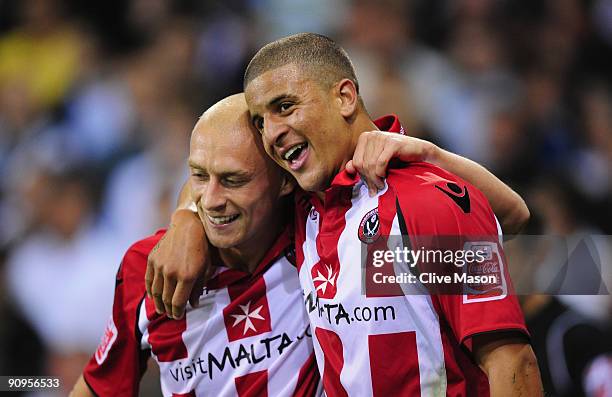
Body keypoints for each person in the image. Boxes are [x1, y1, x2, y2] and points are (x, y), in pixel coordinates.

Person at [149, 33, 542, 396]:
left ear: (345, 97)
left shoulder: (420, 205)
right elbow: (221, 169)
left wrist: (429, 157)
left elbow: (511, 362)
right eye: (260, 120)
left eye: (285, 107)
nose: (271, 133)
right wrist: (185, 219)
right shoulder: (305, 206)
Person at [70, 94, 320, 397]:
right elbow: (98, 388)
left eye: (233, 180)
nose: (212, 200)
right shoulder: (147, 266)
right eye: (199, 176)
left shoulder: (320, 229)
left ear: (285, 180)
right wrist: (186, 217)